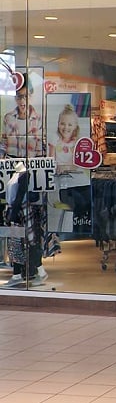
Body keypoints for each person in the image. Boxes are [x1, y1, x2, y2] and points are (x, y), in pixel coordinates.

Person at [0, 80, 49, 287]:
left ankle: (33, 270)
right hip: (13, 175)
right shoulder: (8, 118)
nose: (22, 100)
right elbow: (3, 144)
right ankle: (24, 271)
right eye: (19, 96)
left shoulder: (38, 119)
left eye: (25, 96)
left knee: (30, 228)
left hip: (31, 177)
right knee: (16, 227)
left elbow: (43, 148)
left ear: (31, 96)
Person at [48, 104, 91, 233]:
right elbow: (51, 161)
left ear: (75, 126)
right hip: (63, 185)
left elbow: (75, 163)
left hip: (81, 182)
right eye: (62, 123)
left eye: (70, 125)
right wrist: (58, 167)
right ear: (58, 124)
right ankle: (77, 232)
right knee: (79, 202)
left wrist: (65, 166)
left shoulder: (78, 142)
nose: (66, 127)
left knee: (90, 201)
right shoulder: (55, 139)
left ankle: (85, 230)